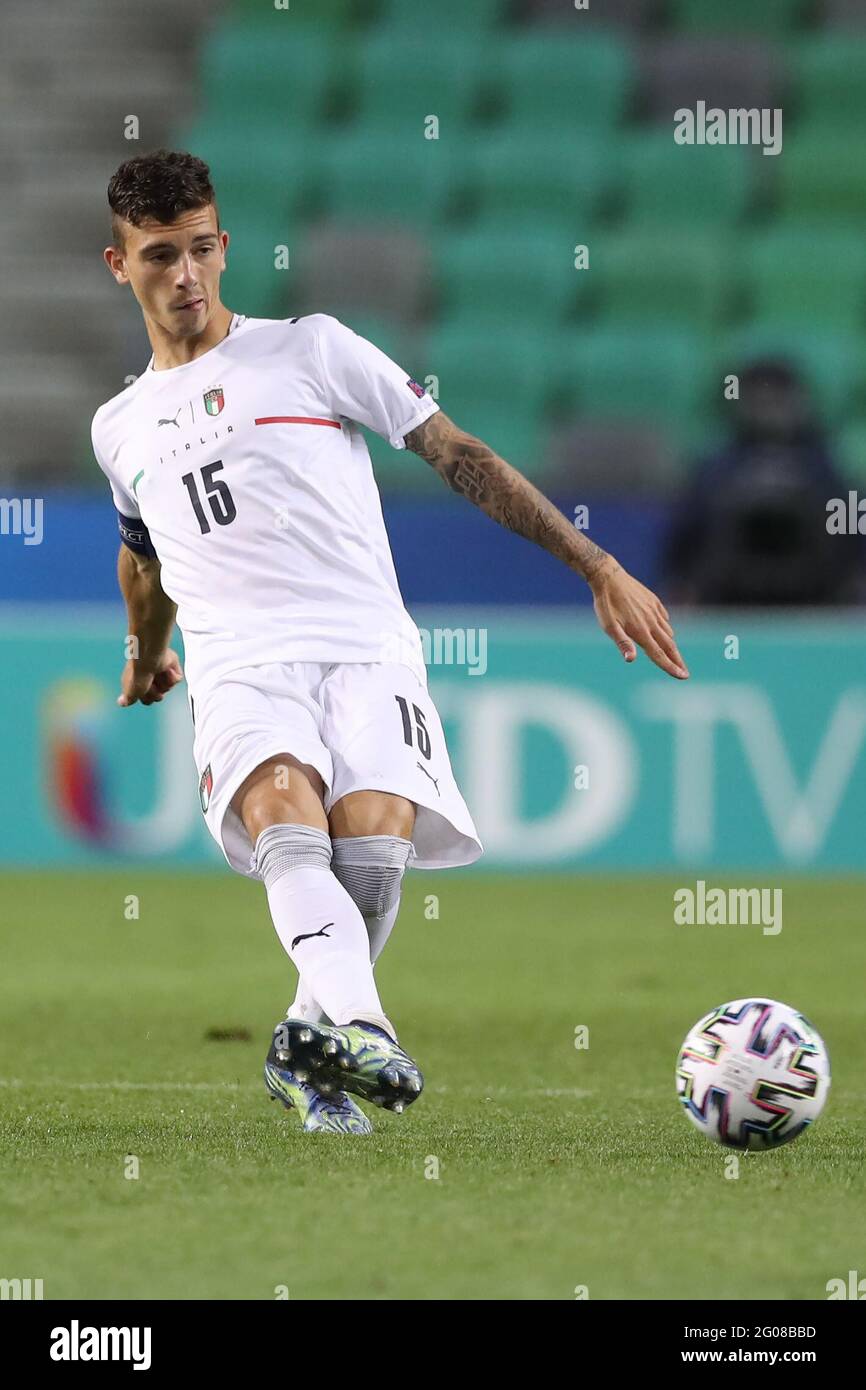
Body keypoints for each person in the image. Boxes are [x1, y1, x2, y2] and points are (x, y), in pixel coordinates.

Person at [92, 149, 688, 1134]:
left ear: (225, 244)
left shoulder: (314, 350)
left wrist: (594, 565)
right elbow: (143, 556)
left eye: (201, 249)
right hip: (239, 662)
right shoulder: (120, 428)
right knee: (288, 816)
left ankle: (303, 1042)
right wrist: (140, 646)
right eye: (161, 256)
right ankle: (366, 1027)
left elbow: (456, 454)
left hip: (367, 645)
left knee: (370, 848)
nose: (186, 276)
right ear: (119, 265)